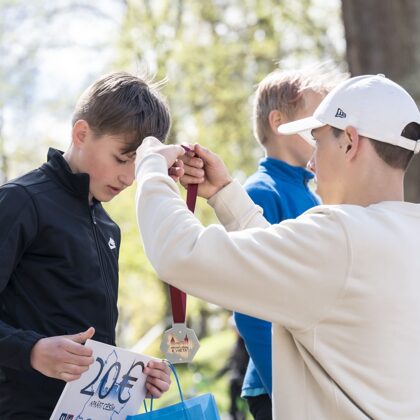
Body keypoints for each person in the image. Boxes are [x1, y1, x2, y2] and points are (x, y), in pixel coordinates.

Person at [134, 74, 420, 419]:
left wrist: (151, 169)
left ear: (349, 142)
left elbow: (181, 254)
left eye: (317, 141)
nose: (312, 163)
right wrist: (225, 194)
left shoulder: (339, 237)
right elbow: (297, 273)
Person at [0, 72, 172, 419]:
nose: (129, 177)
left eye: (138, 165)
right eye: (121, 158)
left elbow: (95, 344)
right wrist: (31, 351)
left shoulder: (109, 227)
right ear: (81, 134)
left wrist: (137, 378)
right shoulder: (19, 202)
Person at [235, 65, 345, 419]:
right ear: (278, 122)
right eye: (313, 122)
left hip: (314, 378)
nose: (322, 131)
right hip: (277, 389)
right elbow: (250, 308)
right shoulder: (259, 193)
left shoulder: (314, 197)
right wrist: (285, 392)